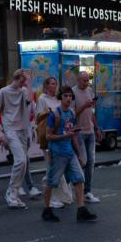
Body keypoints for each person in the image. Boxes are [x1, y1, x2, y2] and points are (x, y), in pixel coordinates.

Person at [40, 86, 97, 223]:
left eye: (70, 96)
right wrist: (64, 135)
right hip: (58, 154)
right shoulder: (55, 114)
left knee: (79, 179)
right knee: (52, 182)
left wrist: (78, 154)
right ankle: (47, 210)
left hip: (70, 153)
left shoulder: (71, 114)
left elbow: (73, 136)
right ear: (61, 98)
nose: (68, 99)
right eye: (65, 96)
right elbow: (48, 136)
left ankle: (81, 210)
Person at [0, 68, 35, 209]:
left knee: (23, 164)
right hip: (10, 129)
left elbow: (29, 100)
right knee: (21, 160)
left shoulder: (24, 91)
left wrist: (28, 85)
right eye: (25, 80)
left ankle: (14, 194)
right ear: (19, 78)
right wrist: (0, 132)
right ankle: (11, 193)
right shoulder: (4, 91)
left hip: (22, 130)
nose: (26, 83)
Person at [35, 76, 72, 208]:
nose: (54, 86)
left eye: (55, 83)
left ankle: (62, 195)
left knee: (58, 168)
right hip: (48, 138)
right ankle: (51, 198)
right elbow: (38, 117)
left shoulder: (57, 99)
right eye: (51, 83)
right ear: (46, 86)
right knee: (52, 168)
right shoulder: (42, 99)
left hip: (60, 138)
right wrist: (49, 113)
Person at [72, 70, 103, 204]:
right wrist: (84, 105)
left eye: (87, 80)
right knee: (82, 162)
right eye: (84, 80)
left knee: (91, 162)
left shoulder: (90, 91)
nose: (86, 83)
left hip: (90, 130)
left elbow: (91, 112)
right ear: (78, 80)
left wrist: (97, 128)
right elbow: (72, 115)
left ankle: (87, 192)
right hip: (78, 131)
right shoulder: (72, 93)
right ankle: (78, 190)